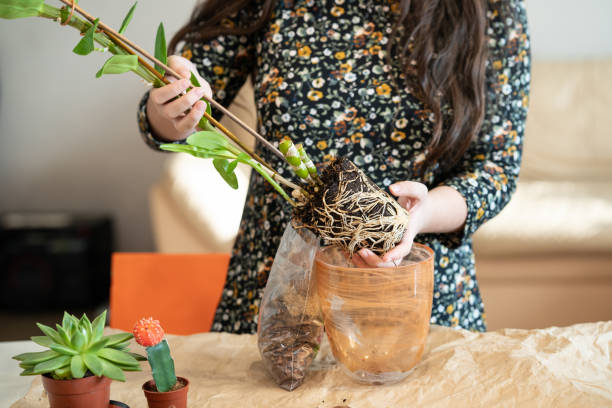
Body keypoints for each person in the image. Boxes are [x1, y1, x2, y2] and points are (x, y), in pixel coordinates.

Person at [138, 0, 530, 333]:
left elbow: (495, 167)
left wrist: (420, 215)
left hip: (417, 289)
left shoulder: (490, 8)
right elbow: (176, 114)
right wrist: (170, 106)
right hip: (281, 288)